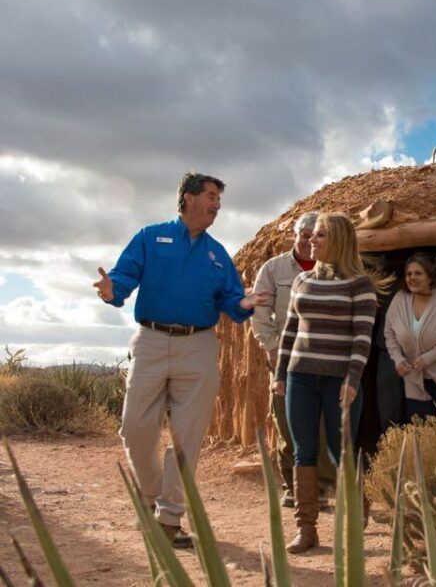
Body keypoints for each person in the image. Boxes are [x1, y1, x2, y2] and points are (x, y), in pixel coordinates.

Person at [92, 172, 269, 548]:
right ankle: (155, 496)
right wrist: (111, 291)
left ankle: (170, 518)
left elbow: (230, 300)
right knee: (134, 429)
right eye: (210, 196)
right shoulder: (150, 238)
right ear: (188, 198)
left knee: (187, 437)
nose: (217, 205)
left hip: (198, 346)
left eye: (219, 200)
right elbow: (123, 278)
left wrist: (244, 303)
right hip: (151, 342)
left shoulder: (217, 254)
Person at [273, 212, 381, 554]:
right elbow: (291, 331)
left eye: (319, 235)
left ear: (338, 241)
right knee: (303, 450)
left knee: (341, 453)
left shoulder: (360, 285)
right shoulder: (302, 282)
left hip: (339, 381)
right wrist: (280, 375)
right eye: (310, 235)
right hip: (300, 377)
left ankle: (354, 515)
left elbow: (362, 339)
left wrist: (352, 380)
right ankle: (306, 530)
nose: (311, 240)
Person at [250, 212, 336, 509]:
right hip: (286, 359)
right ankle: (292, 486)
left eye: (316, 234)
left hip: (324, 357)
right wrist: (273, 351)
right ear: (295, 234)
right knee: (287, 424)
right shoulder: (274, 269)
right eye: (304, 233)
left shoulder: (335, 269)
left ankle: (320, 489)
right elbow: (260, 315)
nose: (309, 239)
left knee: (323, 426)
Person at [384, 253, 436, 422]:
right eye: (409, 274)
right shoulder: (400, 300)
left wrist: (429, 357)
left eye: (418, 273)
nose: (412, 278)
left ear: (430, 277)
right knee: (420, 427)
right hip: (415, 378)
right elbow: (389, 333)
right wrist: (398, 359)